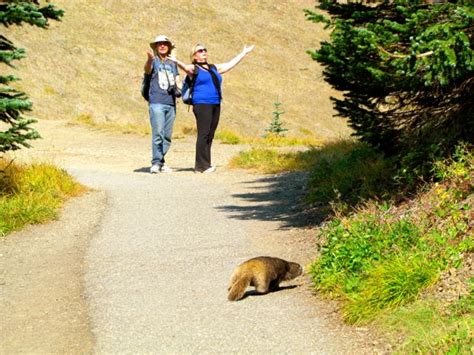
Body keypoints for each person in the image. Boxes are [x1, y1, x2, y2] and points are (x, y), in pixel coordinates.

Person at [171, 43, 254, 173]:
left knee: (210, 134)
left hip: (215, 103)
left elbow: (229, 64)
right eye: (200, 51)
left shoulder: (213, 68)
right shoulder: (194, 68)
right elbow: (185, 67)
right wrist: (175, 60)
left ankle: (206, 164)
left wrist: (243, 53)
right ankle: (200, 166)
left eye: (205, 50)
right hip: (202, 103)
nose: (204, 52)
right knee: (203, 134)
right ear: (194, 56)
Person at [144, 35, 180, 174]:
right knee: (158, 133)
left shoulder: (172, 63)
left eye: (165, 44)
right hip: (156, 102)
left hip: (171, 103)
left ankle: (161, 161)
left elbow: (177, 80)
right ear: (156, 47)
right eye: (159, 44)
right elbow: (147, 70)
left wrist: (181, 91)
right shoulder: (154, 61)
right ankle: (156, 162)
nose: (162, 46)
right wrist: (149, 60)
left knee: (167, 136)